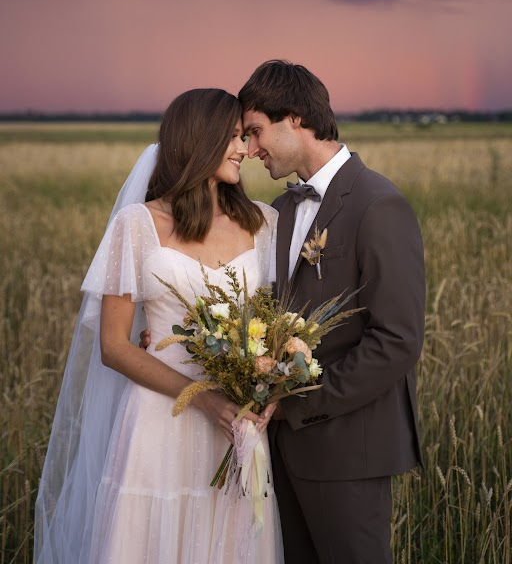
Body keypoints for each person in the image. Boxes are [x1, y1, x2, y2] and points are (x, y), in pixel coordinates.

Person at [34, 89, 284, 564]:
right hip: (159, 423)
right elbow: (114, 345)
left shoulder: (263, 224)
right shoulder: (137, 226)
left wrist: (267, 384)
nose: (244, 149)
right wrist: (204, 398)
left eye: (245, 137)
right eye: (233, 137)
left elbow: (273, 328)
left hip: (238, 426)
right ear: (199, 140)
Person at [237, 60, 425, 564]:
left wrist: (298, 402)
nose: (251, 150)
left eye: (256, 132)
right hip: (282, 452)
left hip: (348, 450)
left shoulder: (379, 205)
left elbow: (397, 340)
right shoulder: (281, 207)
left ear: (295, 118)